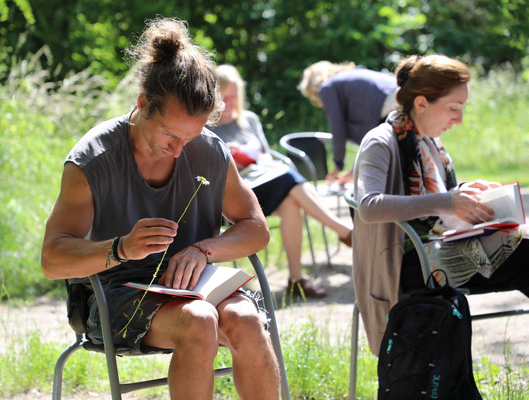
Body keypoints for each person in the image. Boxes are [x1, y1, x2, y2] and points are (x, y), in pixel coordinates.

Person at [40, 17, 281, 399]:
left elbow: (255, 227)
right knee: (199, 321)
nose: (180, 149)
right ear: (142, 105)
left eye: (192, 137)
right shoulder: (94, 159)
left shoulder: (210, 151)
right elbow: (52, 259)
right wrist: (120, 249)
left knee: (246, 319)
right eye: (171, 135)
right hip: (114, 297)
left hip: (193, 288)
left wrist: (203, 251)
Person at [352, 54, 529, 355]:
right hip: (408, 263)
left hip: (436, 250)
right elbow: (369, 206)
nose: (459, 119)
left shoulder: (428, 141)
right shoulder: (380, 141)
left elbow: (435, 201)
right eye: (453, 108)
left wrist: (463, 192)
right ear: (421, 103)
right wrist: (449, 201)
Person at [209, 64, 353, 299]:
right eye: (225, 98)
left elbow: (265, 153)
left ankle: (296, 280)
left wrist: (252, 155)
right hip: (238, 195)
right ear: (214, 97)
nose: (231, 103)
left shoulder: (249, 120)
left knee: (291, 205)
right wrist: (228, 156)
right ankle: (343, 230)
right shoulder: (206, 126)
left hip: (266, 181)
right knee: (288, 176)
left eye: (235, 97)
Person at [298, 60, 398, 185]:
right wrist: (354, 169)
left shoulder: (326, 87)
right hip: (399, 94)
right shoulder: (347, 77)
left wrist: (337, 166)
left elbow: (338, 128)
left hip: (392, 102)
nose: (319, 103)